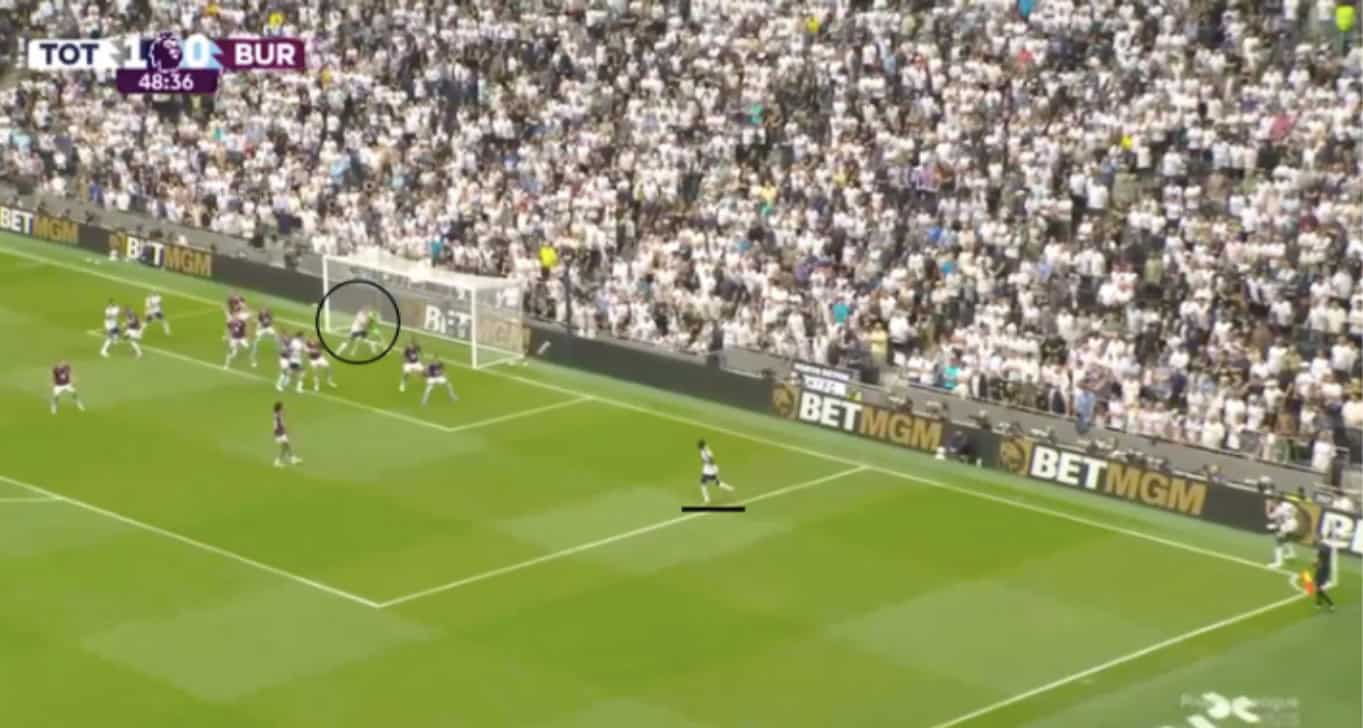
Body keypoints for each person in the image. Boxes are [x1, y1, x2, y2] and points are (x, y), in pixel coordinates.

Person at [697, 439, 735, 504]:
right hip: (707, 469)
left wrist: (706, 461)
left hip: (710, 470)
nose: (698, 447)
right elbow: (705, 459)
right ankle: (729, 488)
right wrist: (704, 461)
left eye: (699, 446)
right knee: (713, 482)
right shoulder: (702, 450)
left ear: (701, 446)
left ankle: (707, 498)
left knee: (706, 483)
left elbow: (712, 461)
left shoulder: (707, 452)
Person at [272, 401, 301, 467]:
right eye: (282, 407)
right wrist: (285, 431)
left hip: (279, 433)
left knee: (286, 447)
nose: (283, 407)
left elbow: (282, 414)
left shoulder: (277, 414)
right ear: (279, 408)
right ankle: (279, 461)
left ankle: (291, 459)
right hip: (279, 433)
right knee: (285, 447)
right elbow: (280, 425)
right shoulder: (278, 416)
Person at [1312, 541, 1335, 612]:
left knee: (1318, 589)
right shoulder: (1323, 552)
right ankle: (1319, 603)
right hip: (1321, 571)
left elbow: (1319, 563)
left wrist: (1315, 563)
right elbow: (1318, 562)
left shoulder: (1323, 554)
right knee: (1317, 587)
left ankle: (1331, 604)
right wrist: (1315, 563)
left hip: (1322, 573)